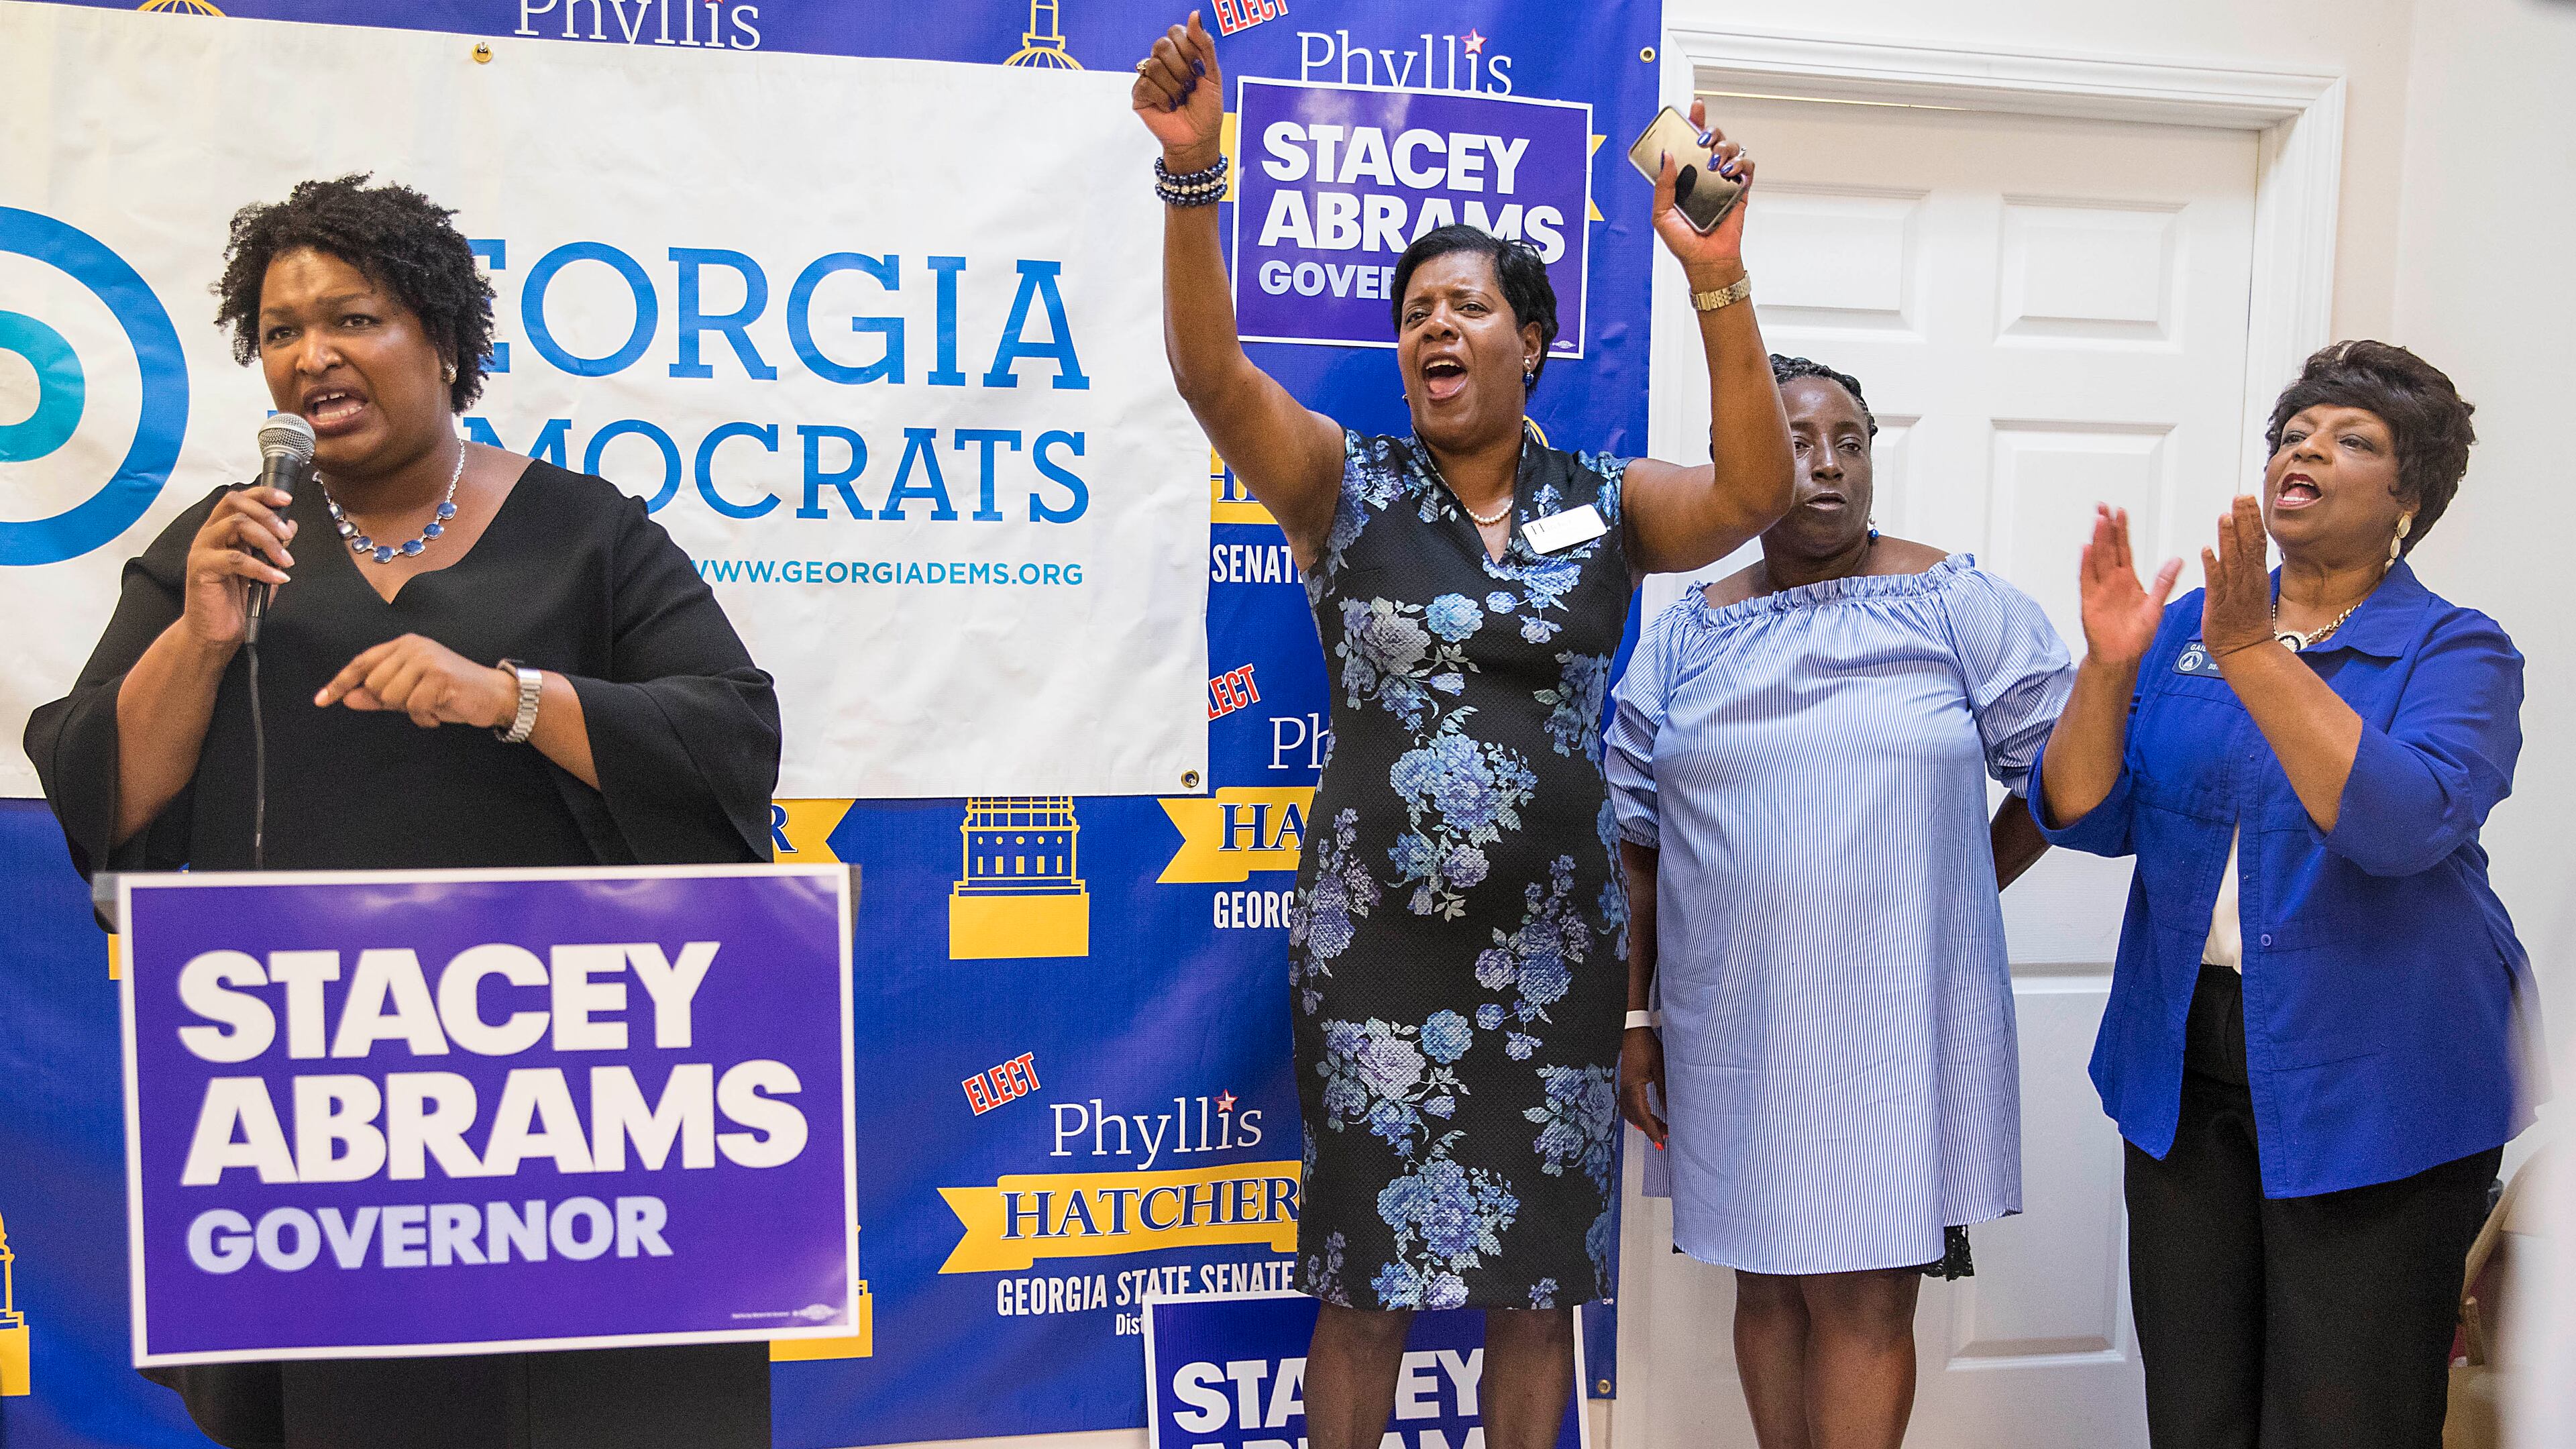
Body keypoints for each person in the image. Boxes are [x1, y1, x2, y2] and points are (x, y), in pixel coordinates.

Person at [23, 176, 781, 1449]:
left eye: (353, 318)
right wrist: (199, 640)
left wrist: (514, 698)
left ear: (439, 335)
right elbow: (105, 792)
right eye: (278, 331)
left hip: (573, 1091)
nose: (310, 354)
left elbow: (730, 739)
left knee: (592, 1403)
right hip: (328, 1100)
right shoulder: (226, 542)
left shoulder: (584, 534)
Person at [1130, 13, 1794, 1448]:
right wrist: (1197, 182)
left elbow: (1751, 493)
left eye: (1469, 305)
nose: (1434, 323)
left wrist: (1719, 279)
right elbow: (1208, 377)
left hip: (1555, 958)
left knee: (1536, 1288)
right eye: (1414, 308)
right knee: (1369, 1285)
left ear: (1535, 341)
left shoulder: (1608, 502)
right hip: (1375, 954)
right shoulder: (1340, 487)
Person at [2033, 340, 2535, 1448]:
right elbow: (2081, 813)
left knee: (2342, 1417)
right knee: (2199, 1409)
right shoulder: (2183, 634)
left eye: (2354, 438)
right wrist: (2109, 666)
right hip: (2186, 1059)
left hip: (2386, 1075)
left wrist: (2256, 652)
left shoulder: (2457, 653)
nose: (2307, 446)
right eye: (2295, 432)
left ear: (2410, 498)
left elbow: (2397, 826)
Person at [1606, 355, 2072, 1449]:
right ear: (1747, 463)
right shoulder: (1686, 633)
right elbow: (1638, 841)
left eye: (1849, 442)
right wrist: (1638, 1016)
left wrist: (1955, 885)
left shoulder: (1953, 603)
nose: (1826, 465)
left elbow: (2066, 777)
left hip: (1892, 1018)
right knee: (1765, 1286)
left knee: (1864, 1297)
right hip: (1735, 1023)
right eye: (1796, 441)